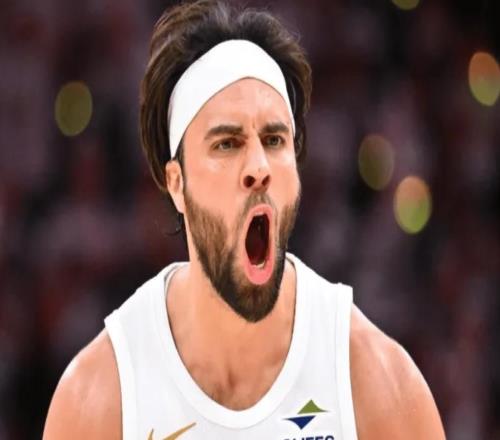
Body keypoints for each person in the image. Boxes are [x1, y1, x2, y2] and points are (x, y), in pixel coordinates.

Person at [43, 1, 446, 439]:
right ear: (176, 183)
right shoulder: (100, 397)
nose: (258, 167)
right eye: (227, 144)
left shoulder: (377, 384)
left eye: (274, 140)